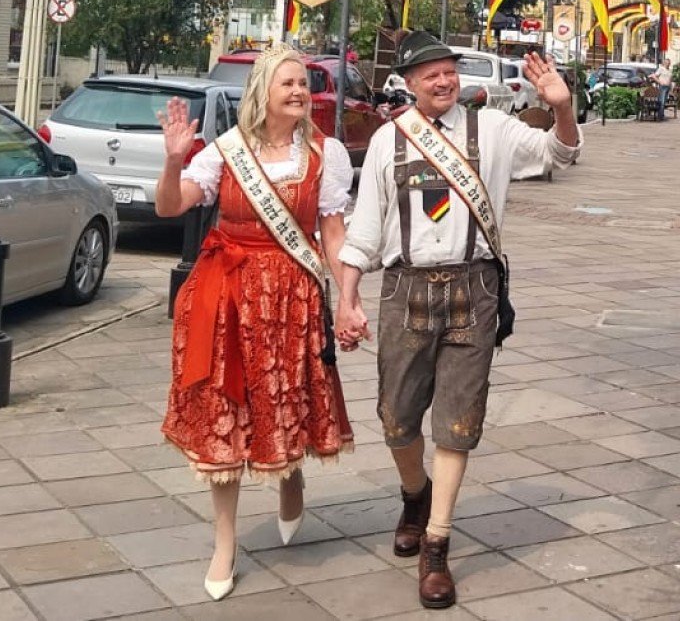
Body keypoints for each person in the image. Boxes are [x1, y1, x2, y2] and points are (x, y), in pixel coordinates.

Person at [335, 31, 580, 610]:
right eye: (430, 74)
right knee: (397, 420)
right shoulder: (387, 141)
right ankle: (414, 495)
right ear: (409, 84)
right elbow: (364, 230)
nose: (442, 81)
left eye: (448, 70)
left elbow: (558, 154)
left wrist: (562, 107)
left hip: (475, 287)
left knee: (459, 422)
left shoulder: (491, 128)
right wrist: (347, 299)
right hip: (404, 288)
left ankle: (437, 544)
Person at [152, 44, 355, 601]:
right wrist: (173, 161)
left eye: (302, 84)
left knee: (282, 402)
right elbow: (171, 207)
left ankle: (290, 477)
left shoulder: (324, 154)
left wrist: (350, 298)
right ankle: (225, 542)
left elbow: (333, 236)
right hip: (225, 300)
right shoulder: (226, 151)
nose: (297, 92)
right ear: (262, 91)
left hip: (291, 300)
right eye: (286, 83)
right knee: (227, 413)